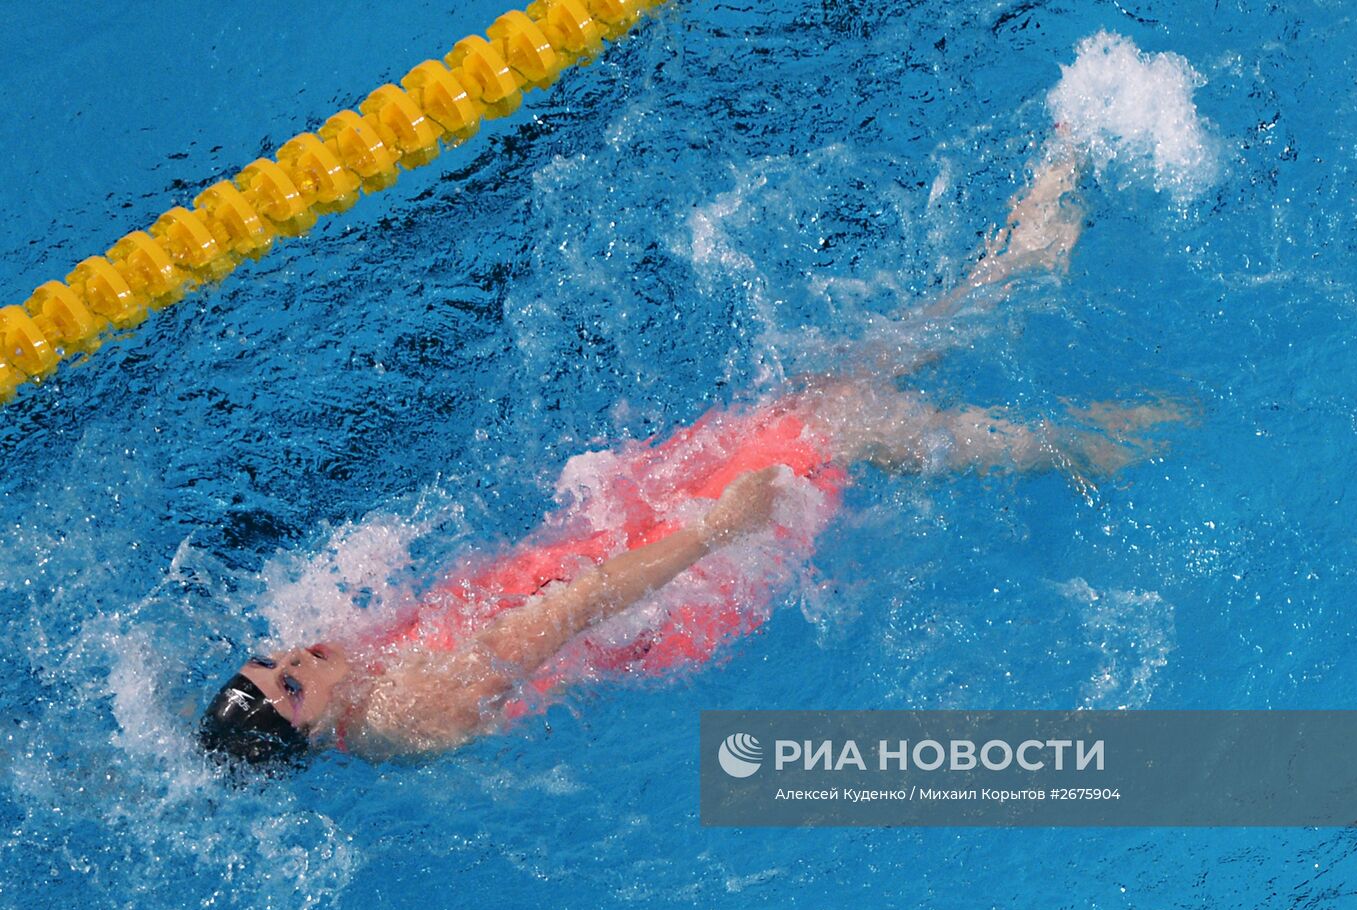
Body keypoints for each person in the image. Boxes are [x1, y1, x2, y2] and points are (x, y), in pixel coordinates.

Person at [199, 143, 1179, 769]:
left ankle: (1010, 284)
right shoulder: (414, 703)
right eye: (290, 682)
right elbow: (573, 611)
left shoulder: (348, 682)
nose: (295, 655)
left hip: (600, 540)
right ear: (317, 730)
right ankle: (1071, 440)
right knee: (831, 426)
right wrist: (714, 527)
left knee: (818, 397)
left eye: (270, 655)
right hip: (661, 592)